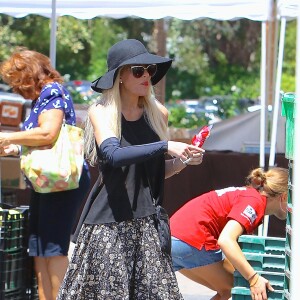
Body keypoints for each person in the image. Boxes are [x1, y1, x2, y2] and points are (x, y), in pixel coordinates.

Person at [56, 38, 205, 299]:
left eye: (150, 70)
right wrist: (165, 145)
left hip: (147, 223)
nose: (147, 75)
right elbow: (113, 155)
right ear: (120, 76)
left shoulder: (158, 113)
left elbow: (154, 173)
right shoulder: (101, 111)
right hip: (108, 223)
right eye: (138, 70)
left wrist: (182, 161)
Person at [0, 48, 91, 300]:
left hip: (61, 182)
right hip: (46, 182)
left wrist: (8, 136)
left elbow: (47, 133)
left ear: (29, 74)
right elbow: (42, 140)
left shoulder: (53, 92)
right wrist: (15, 147)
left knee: (53, 248)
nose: (16, 88)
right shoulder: (42, 97)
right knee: (38, 248)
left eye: (16, 81)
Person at [170, 167, 288, 300]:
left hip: (173, 239)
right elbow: (226, 240)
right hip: (192, 238)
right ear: (284, 196)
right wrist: (254, 279)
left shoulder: (250, 195)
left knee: (227, 288)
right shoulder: (255, 202)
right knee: (233, 287)